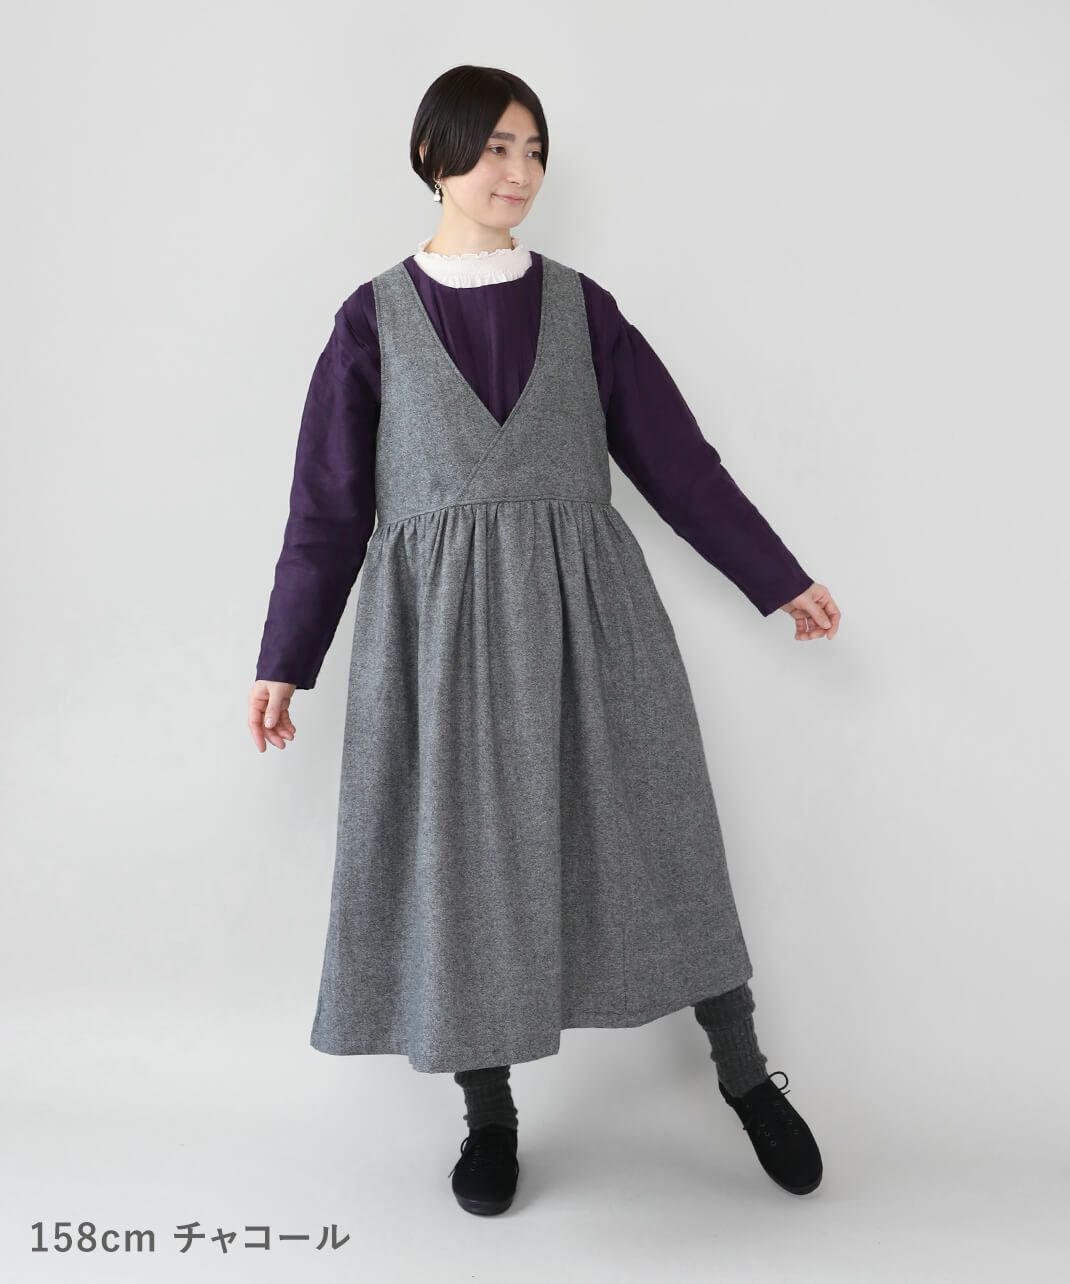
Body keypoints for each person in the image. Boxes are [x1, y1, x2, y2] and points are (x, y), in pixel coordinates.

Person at [249, 64, 840, 1217]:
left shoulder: (580, 307)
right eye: (493, 148)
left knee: (665, 837)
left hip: (593, 631)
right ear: (433, 156)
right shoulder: (370, 320)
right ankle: (489, 1116)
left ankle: (742, 1074)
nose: (516, 171)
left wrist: (777, 579)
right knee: (462, 869)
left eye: (531, 150)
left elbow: (678, 465)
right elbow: (325, 509)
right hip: (436, 653)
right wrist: (284, 660)